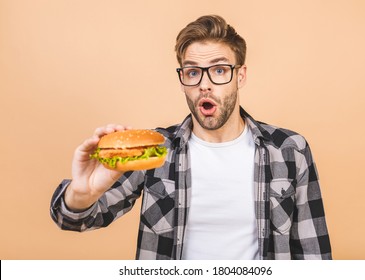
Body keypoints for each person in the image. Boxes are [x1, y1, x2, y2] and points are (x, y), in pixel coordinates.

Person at [50, 15, 332, 260]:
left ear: (240, 76)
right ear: (182, 80)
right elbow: (73, 220)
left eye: (220, 70)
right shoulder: (154, 150)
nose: (205, 84)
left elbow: (313, 254)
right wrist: (82, 193)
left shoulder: (289, 150)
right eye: (193, 72)